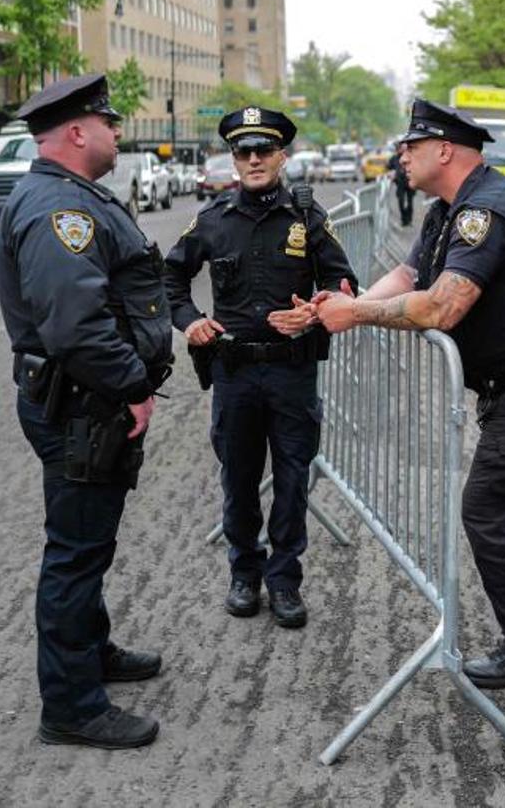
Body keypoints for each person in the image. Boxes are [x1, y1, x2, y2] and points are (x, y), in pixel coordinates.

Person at [314, 99, 505, 689]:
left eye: (409, 147)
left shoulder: (485, 213)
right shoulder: (449, 209)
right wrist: (348, 302)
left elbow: (443, 306)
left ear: (444, 150)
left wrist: (356, 314)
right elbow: (414, 278)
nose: (400, 156)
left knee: (488, 512)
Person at [0, 73, 174, 749]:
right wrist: (133, 386)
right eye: (108, 121)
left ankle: (91, 653)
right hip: (83, 404)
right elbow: (76, 326)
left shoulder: (68, 197)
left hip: (82, 401)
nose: (117, 130)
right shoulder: (57, 211)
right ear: (76, 132)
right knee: (75, 552)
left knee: (89, 544)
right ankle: (71, 706)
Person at [163, 106, 357, 627]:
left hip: (292, 373)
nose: (253, 160)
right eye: (243, 151)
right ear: (233, 159)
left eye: (263, 151)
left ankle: (285, 579)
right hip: (234, 375)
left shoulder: (307, 218)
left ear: (281, 156)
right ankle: (244, 573)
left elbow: (345, 287)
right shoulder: (211, 220)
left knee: (293, 480)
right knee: (240, 480)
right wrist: (190, 322)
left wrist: (314, 312)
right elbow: (169, 280)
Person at [387, 140, 415, 226]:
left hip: (409, 182)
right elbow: (388, 167)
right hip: (400, 183)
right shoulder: (394, 158)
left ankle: (409, 220)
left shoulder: (409, 157)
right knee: (401, 201)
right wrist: (391, 174)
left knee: (410, 202)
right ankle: (404, 220)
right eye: (399, 148)